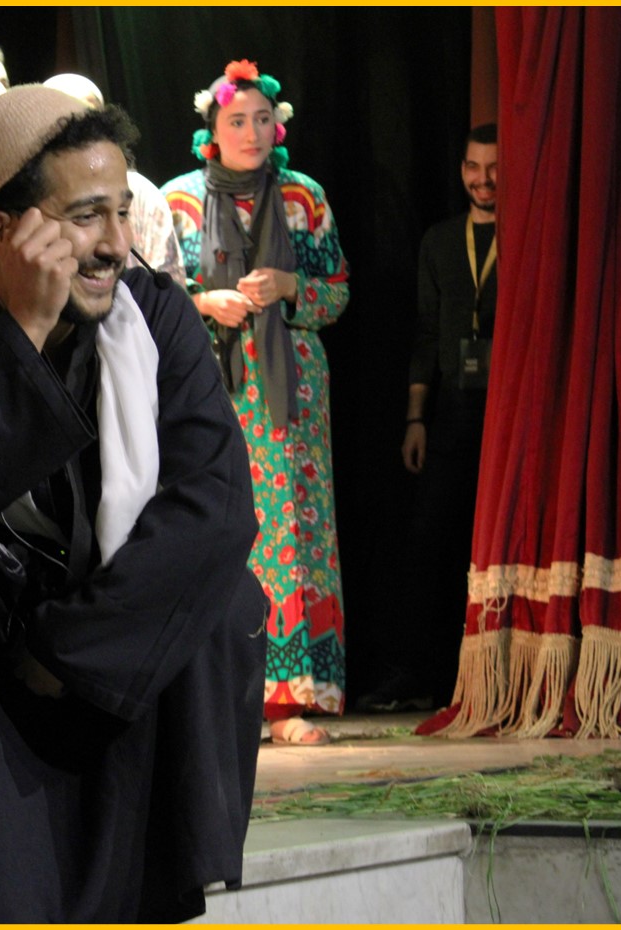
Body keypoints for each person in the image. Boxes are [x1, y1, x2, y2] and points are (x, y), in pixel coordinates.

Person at [0, 85, 267, 922]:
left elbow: (214, 504)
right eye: (85, 216)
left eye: (122, 211)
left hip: (105, 645)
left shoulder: (156, 313)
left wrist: (68, 649)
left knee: (221, 588)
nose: (115, 244)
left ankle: (150, 863)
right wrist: (23, 333)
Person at [162, 60, 350, 745]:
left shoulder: (304, 199)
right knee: (219, 530)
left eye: (262, 119)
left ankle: (293, 697)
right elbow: (149, 293)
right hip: (210, 387)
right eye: (236, 120)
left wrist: (292, 287)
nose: (251, 132)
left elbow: (337, 292)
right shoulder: (177, 201)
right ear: (211, 130)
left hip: (291, 394)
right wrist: (203, 301)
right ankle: (217, 693)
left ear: (279, 126)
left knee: (295, 534)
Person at [360, 123, 498, 713]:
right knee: (429, 544)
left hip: (506, 417)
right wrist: (415, 420)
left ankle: (493, 672)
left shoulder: (529, 234)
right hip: (450, 417)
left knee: (493, 545)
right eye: (473, 167)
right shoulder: (441, 241)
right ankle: (420, 673)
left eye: (494, 168)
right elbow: (425, 334)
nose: (483, 180)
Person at [42, 72, 186, 286]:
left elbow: (168, 285)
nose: (79, 129)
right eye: (86, 216)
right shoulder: (36, 194)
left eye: (122, 213)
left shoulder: (140, 192)